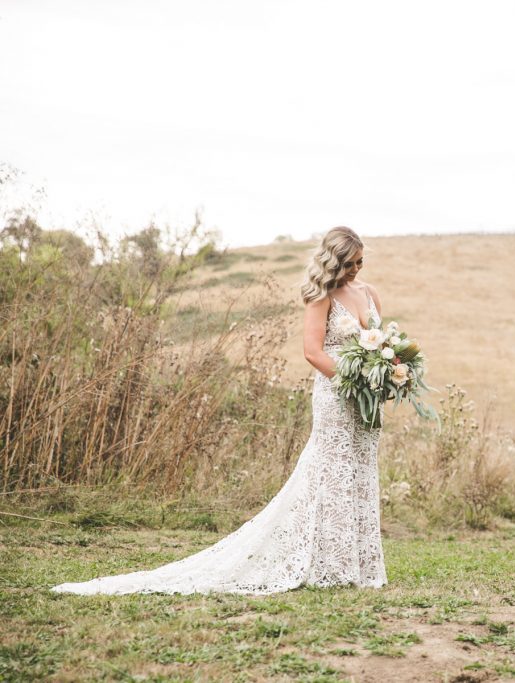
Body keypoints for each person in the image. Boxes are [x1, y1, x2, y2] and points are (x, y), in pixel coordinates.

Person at [52, 226, 387, 595]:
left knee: (361, 469)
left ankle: (362, 563)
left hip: (367, 398)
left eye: (360, 262)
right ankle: (333, 565)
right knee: (333, 473)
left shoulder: (369, 293)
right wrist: (353, 380)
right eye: (349, 264)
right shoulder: (321, 295)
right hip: (337, 394)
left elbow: (381, 343)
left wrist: (385, 373)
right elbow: (312, 351)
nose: (356, 269)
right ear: (333, 262)